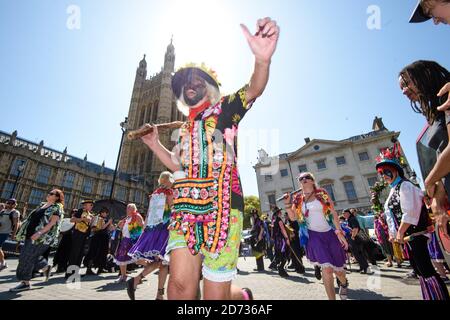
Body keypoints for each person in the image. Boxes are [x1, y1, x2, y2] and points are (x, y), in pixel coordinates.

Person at [140, 17, 279, 300]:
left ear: (209, 86)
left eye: (197, 81)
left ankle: (239, 297)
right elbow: (177, 165)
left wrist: (262, 60)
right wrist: (154, 144)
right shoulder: (183, 129)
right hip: (185, 207)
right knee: (178, 288)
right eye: (185, 84)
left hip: (223, 205)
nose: (190, 85)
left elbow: (254, 88)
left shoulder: (225, 109)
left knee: (215, 294)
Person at [376, 144, 449, 300]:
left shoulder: (405, 186)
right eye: (382, 173)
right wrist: (394, 234)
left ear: (396, 170)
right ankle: (431, 296)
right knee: (419, 269)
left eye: (387, 171)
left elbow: (410, 212)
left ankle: (439, 297)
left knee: (425, 268)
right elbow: (391, 215)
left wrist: (401, 232)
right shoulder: (394, 190)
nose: (384, 175)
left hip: (416, 235)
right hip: (409, 237)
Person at [284, 172, 349, 300]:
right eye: (301, 178)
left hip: (330, 233)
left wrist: (339, 232)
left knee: (339, 271)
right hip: (313, 236)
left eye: (307, 177)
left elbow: (333, 212)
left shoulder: (321, 193)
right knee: (327, 269)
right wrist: (287, 204)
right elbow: (292, 217)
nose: (304, 179)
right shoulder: (298, 198)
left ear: (312, 181)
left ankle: (344, 282)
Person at [126, 172, 174, 300]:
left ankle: (159, 295)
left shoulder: (155, 194)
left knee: (162, 263)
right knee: (161, 261)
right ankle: (136, 280)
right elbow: (174, 209)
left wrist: (145, 230)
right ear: (168, 180)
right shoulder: (169, 192)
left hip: (152, 230)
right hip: (164, 230)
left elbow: (148, 214)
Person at [9, 189, 64, 292]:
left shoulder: (57, 208)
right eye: (49, 192)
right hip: (30, 234)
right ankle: (45, 267)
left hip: (42, 237)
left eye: (52, 193)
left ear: (57, 197)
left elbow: (51, 224)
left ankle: (25, 282)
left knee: (26, 257)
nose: (49, 194)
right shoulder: (42, 205)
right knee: (29, 255)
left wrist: (39, 233)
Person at [114, 203, 144, 283]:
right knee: (121, 258)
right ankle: (123, 276)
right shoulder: (127, 218)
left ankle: (147, 270)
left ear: (134, 209)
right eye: (127, 208)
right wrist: (120, 224)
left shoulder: (137, 216)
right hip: (125, 240)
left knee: (138, 259)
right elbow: (120, 228)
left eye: (129, 208)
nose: (127, 210)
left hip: (134, 240)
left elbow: (143, 226)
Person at [66, 200, 94, 279]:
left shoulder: (90, 214)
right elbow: (72, 219)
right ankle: (69, 273)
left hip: (85, 236)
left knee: (80, 254)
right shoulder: (80, 211)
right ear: (85, 205)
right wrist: (83, 219)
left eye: (91, 205)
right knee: (75, 253)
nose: (91, 206)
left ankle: (75, 273)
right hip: (78, 234)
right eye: (90, 205)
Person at [342, 209, 373, 274]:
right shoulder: (349, 220)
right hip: (353, 240)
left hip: (355, 239)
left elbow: (355, 228)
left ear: (348, 213)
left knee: (359, 254)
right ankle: (362, 267)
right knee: (357, 255)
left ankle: (365, 268)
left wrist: (353, 236)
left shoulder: (352, 219)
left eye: (344, 213)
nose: (343, 215)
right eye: (343, 214)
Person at [84, 207, 113, 276]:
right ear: (101, 212)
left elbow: (109, 229)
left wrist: (110, 224)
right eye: (103, 212)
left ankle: (100, 268)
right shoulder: (97, 218)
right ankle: (89, 268)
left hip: (104, 238)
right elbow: (101, 228)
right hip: (98, 237)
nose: (104, 213)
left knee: (103, 253)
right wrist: (108, 222)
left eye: (106, 212)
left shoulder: (106, 219)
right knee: (94, 252)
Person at [53, 208, 77, 273]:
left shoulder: (77, 221)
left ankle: (64, 267)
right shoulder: (67, 220)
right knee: (62, 253)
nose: (74, 213)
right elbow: (61, 229)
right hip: (65, 239)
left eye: (75, 212)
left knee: (68, 254)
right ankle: (60, 267)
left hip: (72, 240)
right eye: (73, 212)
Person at [0, 198, 21, 271]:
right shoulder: (2, 211)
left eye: (12, 203)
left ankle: (3, 263)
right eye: (8, 203)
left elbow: (16, 224)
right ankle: (3, 262)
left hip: (5, 232)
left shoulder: (15, 212)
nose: (9, 204)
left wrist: (13, 234)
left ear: (15, 205)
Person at [271, 207, 290, 278]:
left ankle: (281, 270)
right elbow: (283, 230)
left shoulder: (274, 221)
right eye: (280, 212)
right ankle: (281, 269)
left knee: (280, 255)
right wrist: (287, 238)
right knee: (284, 255)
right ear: (278, 213)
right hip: (281, 240)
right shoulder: (279, 221)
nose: (281, 213)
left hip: (277, 241)